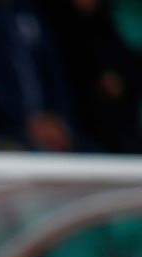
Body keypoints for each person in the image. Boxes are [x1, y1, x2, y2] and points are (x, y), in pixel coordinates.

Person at [0, 0, 74, 151]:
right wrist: (26, 122)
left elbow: (54, 72)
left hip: (52, 123)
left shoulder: (32, 12)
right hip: (7, 126)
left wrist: (60, 120)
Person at [44, 0, 142, 154]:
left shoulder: (104, 20)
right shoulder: (53, 22)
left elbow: (127, 68)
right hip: (74, 124)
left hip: (118, 128)